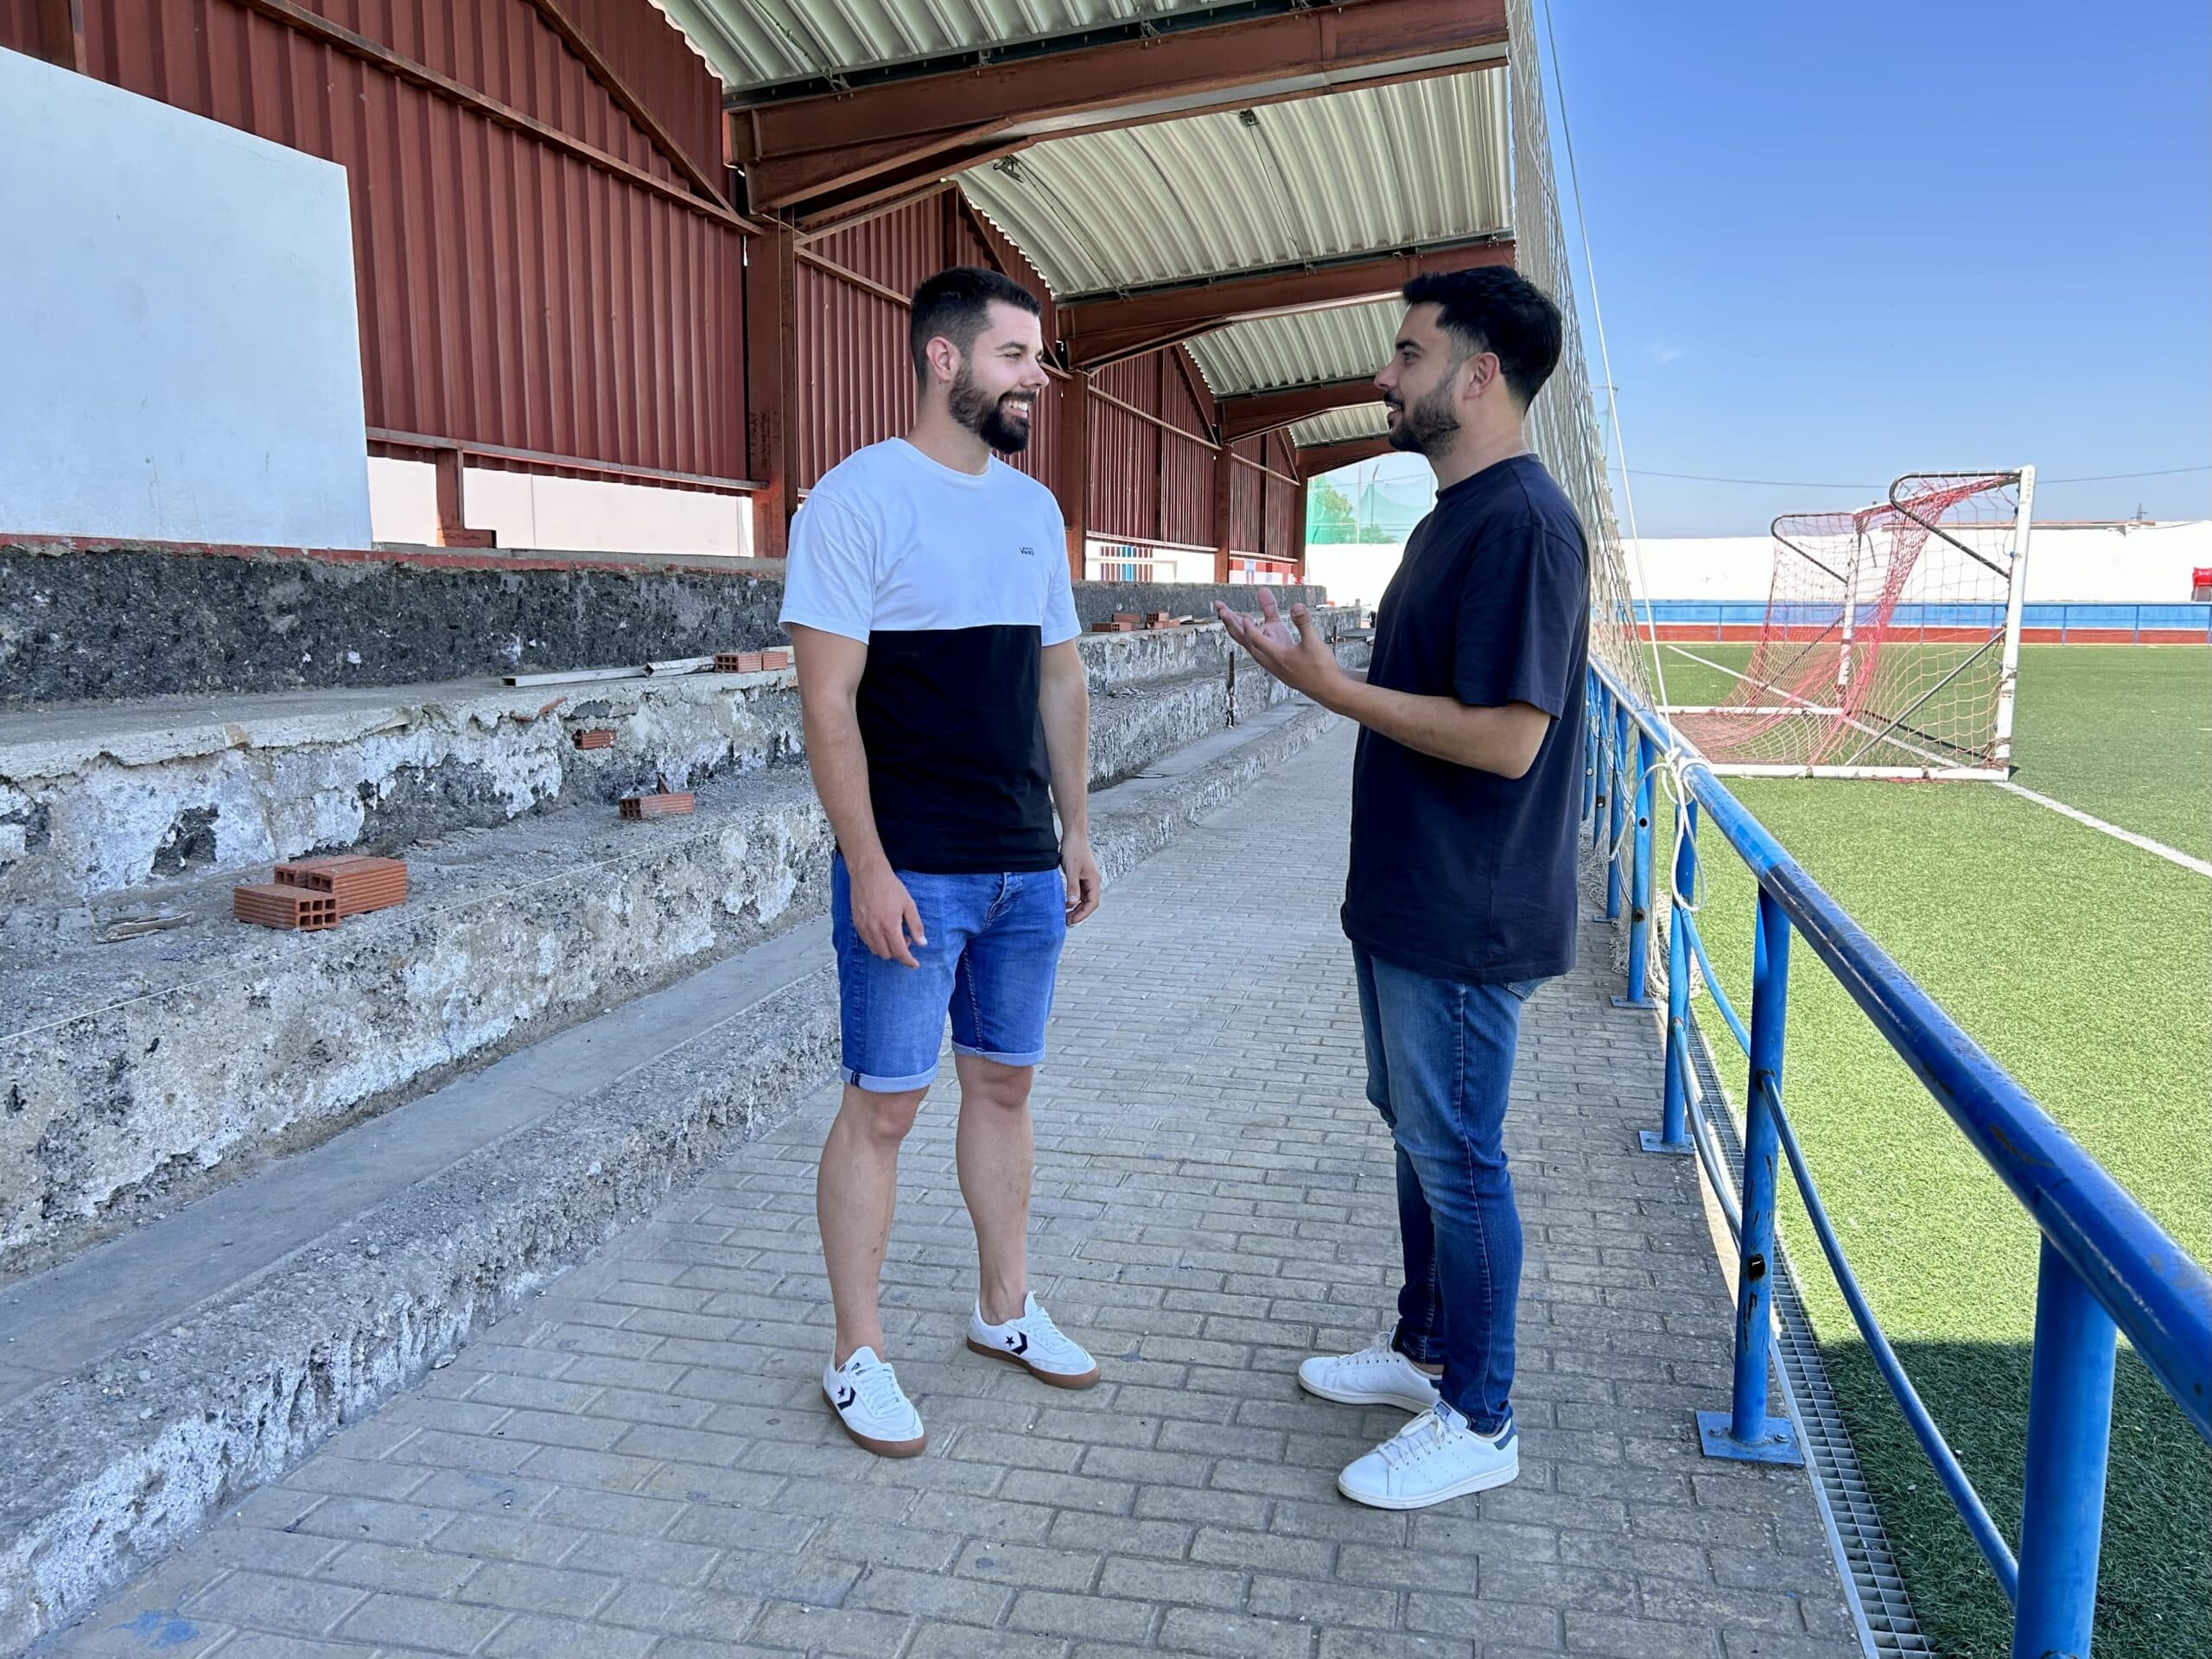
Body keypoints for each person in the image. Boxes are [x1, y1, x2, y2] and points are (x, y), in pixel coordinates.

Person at [1215, 266, 1590, 1510]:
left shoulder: (1525, 525)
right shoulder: (1448, 516)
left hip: (1470, 909)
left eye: (1411, 353)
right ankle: (1423, 1347)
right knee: (1419, 1134)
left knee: (1460, 1153)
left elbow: (1508, 739)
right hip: (1406, 896)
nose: (1386, 373)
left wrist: (1328, 692)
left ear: (1481, 376)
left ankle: (1482, 1419)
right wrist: (1320, 680)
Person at [780, 267, 1105, 1458]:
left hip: (1024, 865)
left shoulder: (1032, 511)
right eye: (1016, 356)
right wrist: (865, 865)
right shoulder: (858, 501)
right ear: (944, 360)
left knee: (1006, 1087)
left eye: (1040, 359)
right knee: (883, 1106)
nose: (1036, 380)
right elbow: (827, 705)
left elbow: (1060, 678)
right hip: (914, 868)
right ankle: (855, 1354)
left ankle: (1004, 1313)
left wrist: (1075, 829)